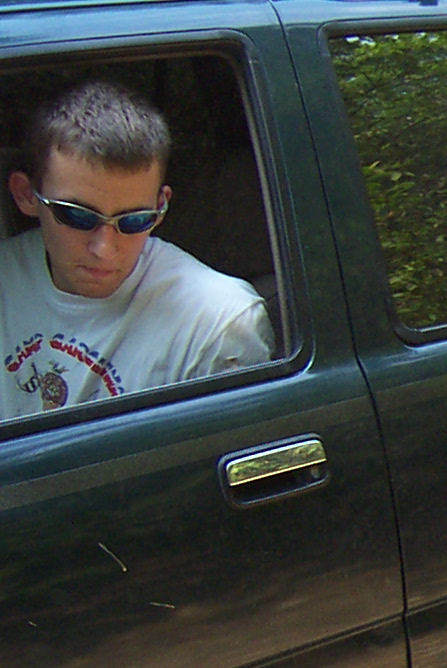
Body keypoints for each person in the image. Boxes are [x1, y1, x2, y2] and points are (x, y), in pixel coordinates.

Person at [1, 80, 273, 421]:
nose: (105, 249)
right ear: (26, 194)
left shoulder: (217, 323)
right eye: (77, 216)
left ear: (161, 207)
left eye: (134, 221)